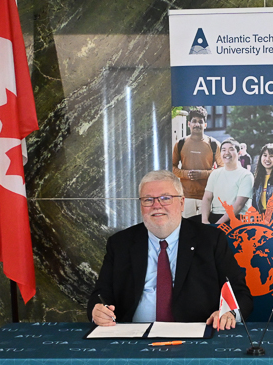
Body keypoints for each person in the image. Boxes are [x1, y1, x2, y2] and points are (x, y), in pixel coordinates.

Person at [88, 170, 252, 329]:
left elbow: (240, 294)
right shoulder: (120, 243)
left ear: (181, 203)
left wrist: (229, 313)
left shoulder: (210, 240)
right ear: (141, 205)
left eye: (165, 198)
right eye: (148, 200)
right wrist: (97, 311)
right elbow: (100, 295)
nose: (156, 206)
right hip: (132, 337)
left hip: (196, 335)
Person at [172, 107, 222, 218]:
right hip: (186, 196)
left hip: (208, 196)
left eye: (200, 122)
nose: (197, 124)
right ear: (189, 124)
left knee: (204, 232)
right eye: (194, 121)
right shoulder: (180, 143)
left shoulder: (214, 144)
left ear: (205, 125)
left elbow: (222, 169)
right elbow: (172, 167)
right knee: (188, 231)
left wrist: (202, 174)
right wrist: (186, 174)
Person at [201, 138, 254, 225]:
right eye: (223, 150)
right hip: (215, 216)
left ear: (239, 153)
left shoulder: (246, 175)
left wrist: (217, 225)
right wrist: (205, 221)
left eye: (231, 149)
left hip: (237, 219)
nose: (226, 153)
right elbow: (207, 198)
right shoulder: (215, 173)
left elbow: (239, 205)